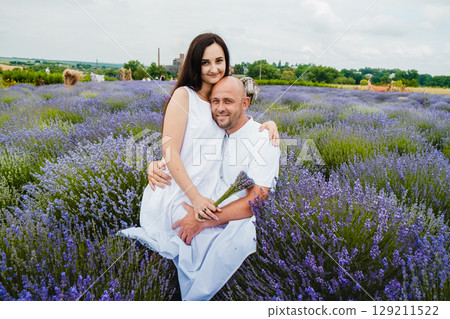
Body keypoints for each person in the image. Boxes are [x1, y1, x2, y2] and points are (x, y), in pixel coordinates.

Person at [118, 33, 278, 300]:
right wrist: (194, 197)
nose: (214, 68)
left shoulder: (218, 98)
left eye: (219, 60)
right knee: (202, 246)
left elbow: (237, 125)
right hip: (180, 191)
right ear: (195, 64)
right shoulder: (184, 95)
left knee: (218, 239)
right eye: (206, 62)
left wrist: (269, 125)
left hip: (206, 191)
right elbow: (171, 152)